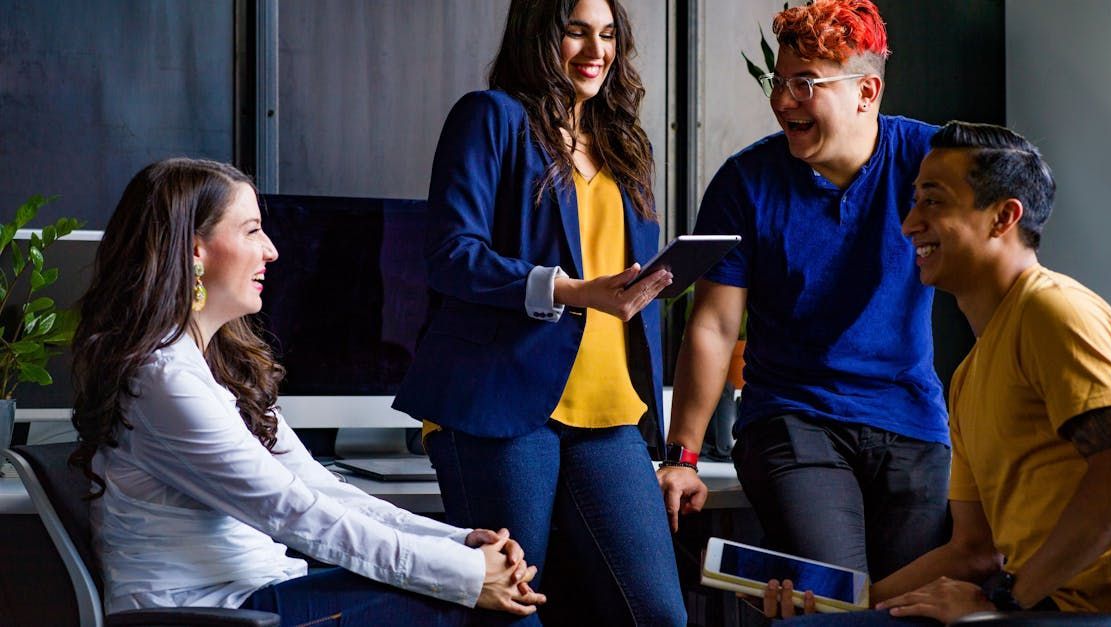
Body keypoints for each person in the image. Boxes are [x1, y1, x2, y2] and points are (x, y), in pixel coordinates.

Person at [68, 158, 545, 626]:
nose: (271, 250)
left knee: (493, 602)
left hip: (264, 593)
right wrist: (467, 576)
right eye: (252, 230)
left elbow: (318, 489)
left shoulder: (215, 367)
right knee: (495, 614)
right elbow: (294, 513)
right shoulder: (163, 380)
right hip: (211, 614)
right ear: (195, 250)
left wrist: (458, 545)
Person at [391, 0, 686, 625]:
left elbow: (618, 279)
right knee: (511, 612)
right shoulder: (491, 117)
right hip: (502, 406)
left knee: (658, 614)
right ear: (540, 35)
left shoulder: (622, 140)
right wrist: (573, 291)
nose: (595, 50)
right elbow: (451, 255)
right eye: (576, 32)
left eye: (607, 35)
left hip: (610, 409)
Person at [659, 0, 950, 581]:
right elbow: (715, 326)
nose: (781, 100)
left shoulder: (933, 161)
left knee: (909, 605)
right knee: (836, 598)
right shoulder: (746, 182)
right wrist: (682, 458)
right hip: (792, 420)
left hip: (912, 421)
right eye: (779, 81)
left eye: (804, 83)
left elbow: (1009, 234)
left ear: (866, 93)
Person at [862, 122, 1111, 622]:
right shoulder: (967, 376)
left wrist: (1002, 600)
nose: (909, 224)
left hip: (1078, 616)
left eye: (933, 202)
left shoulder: (1054, 313)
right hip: (1027, 607)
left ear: (1003, 217)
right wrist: (850, 602)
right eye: (914, 201)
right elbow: (972, 551)